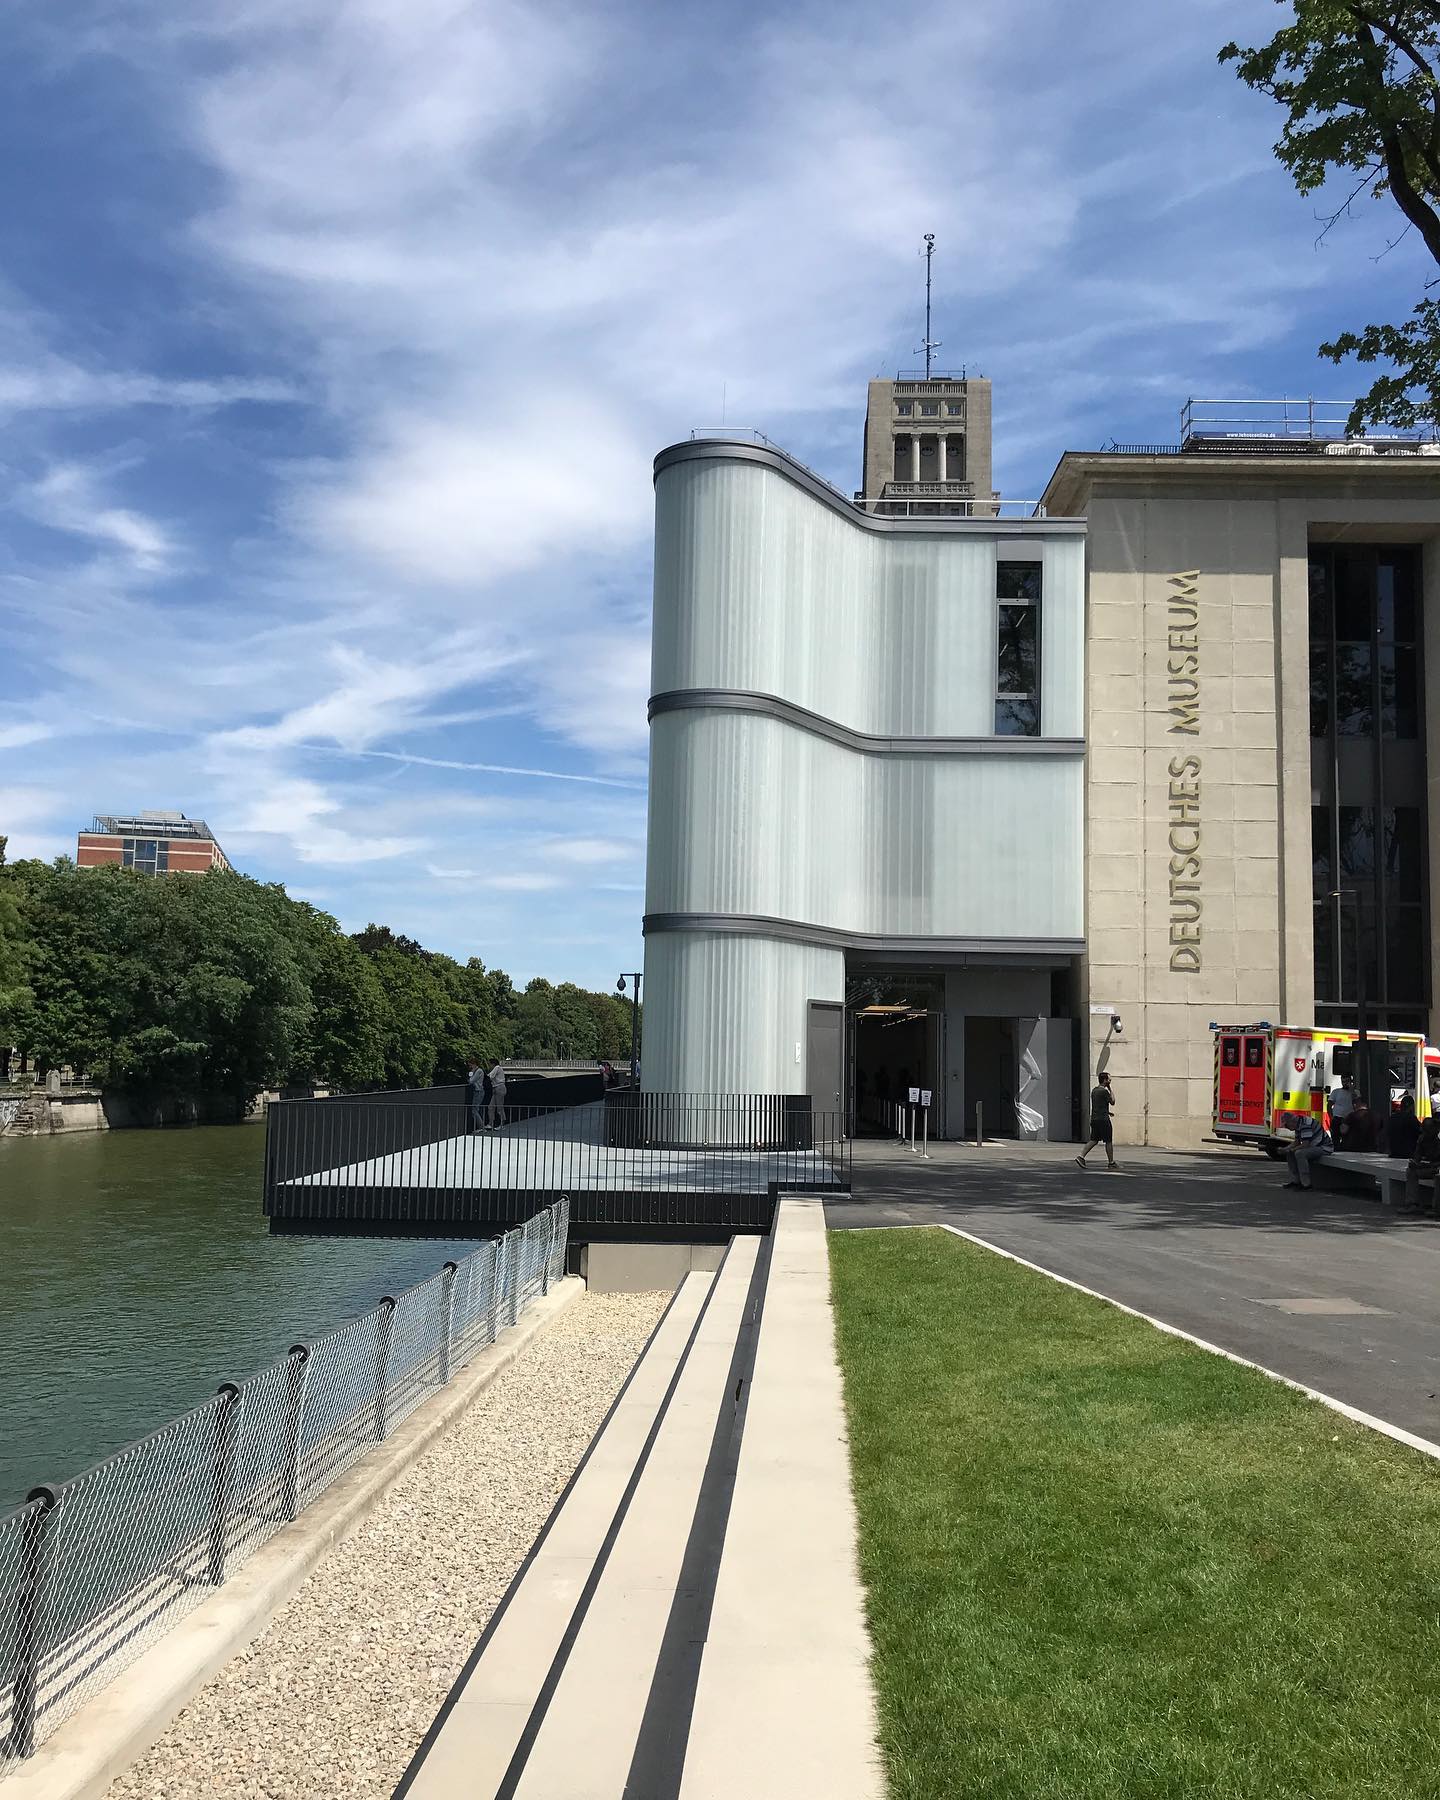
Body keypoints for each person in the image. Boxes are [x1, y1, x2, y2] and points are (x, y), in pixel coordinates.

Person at [1076, 1071, 1117, 1170]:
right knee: (1108, 1141)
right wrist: (1110, 1088)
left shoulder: (1094, 1091)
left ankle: (1081, 1156)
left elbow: (1099, 1105)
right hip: (1103, 1120)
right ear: (1105, 1080)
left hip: (1095, 1118)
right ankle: (1111, 1162)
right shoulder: (1104, 1091)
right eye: (1109, 1079)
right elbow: (1113, 1101)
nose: (1110, 1081)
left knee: (1094, 1140)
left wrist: (1108, 1112)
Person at [1400, 1113, 1440, 1216]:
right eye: (1424, 1131)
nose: (1425, 1134)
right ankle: (1412, 1204)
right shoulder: (1423, 1139)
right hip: (1430, 1167)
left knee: (1439, 1175)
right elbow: (1417, 1156)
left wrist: (1425, 1165)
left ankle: (1437, 1208)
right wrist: (1415, 1163)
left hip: (1437, 1168)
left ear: (1435, 1130)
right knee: (1411, 1171)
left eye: (1428, 1131)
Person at [1284, 1111, 1332, 1190]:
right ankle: (1295, 1181)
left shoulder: (1305, 1124)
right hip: (1314, 1146)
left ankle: (1306, 1184)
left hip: (1324, 1147)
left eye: (1286, 1125)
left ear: (1291, 1121)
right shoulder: (1298, 1124)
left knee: (1300, 1153)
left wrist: (1292, 1150)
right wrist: (1285, 1149)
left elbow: (1305, 1144)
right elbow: (1297, 1142)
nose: (1286, 1128)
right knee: (1290, 1153)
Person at [1388, 1092, 1421, 1160]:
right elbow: (1420, 1132)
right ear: (1412, 1106)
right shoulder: (1411, 1118)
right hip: (1407, 1153)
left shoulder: (1393, 1117)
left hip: (1394, 1152)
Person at [466, 1057, 487, 1134]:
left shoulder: (478, 1071)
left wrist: (471, 1072)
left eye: (470, 1065)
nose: (470, 1067)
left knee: (474, 1110)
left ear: (474, 1064)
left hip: (478, 1091)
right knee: (476, 1109)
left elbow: (471, 1080)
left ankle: (481, 1127)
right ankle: (481, 1127)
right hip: (477, 1091)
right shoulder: (477, 1071)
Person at [486, 1056, 507, 1131]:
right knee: (491, 1107)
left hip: (499, 1088)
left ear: (493, 1064)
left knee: (499, 1107)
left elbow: (490, 1076)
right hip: (496, 1088)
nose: (489, 1066)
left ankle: (502, 1124)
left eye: (490, 1064)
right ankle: (491, 1123)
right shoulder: (498, 1068)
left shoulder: (497, 1068)